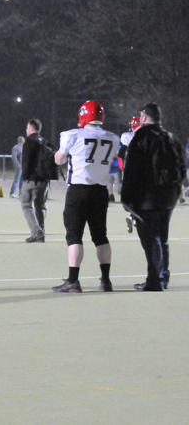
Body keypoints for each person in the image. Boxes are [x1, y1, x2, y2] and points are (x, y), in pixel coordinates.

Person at [51, 100, 119, 293]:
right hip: (100, 191)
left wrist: (62, 154)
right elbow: (112, 161)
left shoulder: (72, 135)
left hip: (79, 190)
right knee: (100, 236)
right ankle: (106, 280)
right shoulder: (113, 138)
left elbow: (59, 159)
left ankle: (73, 280)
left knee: (74, 236)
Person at [121, 103, 186, 291]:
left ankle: (154, 279)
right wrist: (177, 189)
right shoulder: (170, 137)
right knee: (162, 237)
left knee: (151, 238)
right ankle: (163, 276)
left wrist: (126, 197)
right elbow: (182, 165)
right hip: (169, 195)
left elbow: (132, 168)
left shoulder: (142, 136)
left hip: (148, 196)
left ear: (143, 117)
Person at [20, 119, 53, 243]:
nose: (26, 129)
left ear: (31, 128)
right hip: (44, 180)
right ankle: (41, 233)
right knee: (40, 206)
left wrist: (24, 177)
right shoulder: (44, 141)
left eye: (27, 127)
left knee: (26, 205)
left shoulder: (29, 141)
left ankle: (37, 231)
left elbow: (26, 162)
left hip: (32, 180)